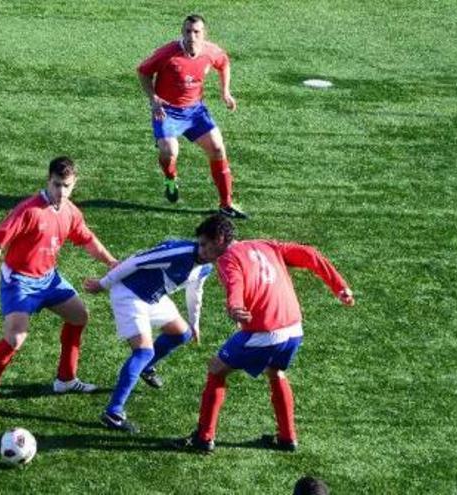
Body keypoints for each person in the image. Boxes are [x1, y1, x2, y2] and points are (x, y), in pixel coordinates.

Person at [174, 214, 354, 453]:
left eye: (205, 244)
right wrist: (339, 286)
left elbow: (235, 284)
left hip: (265, 332)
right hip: (294, 329)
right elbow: (309, 254)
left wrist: (235, 306)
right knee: (276, 371)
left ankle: (203, 438)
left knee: (216, 368)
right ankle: (287, 437)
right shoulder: (266, 245)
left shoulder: (227, 258)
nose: (202, 249)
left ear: (219, 239)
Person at [0, 156, 117, 412]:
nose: (61, 192)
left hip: (49, 279)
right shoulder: (29, 210)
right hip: (19, 281)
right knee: (16, 337)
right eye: (57, 185)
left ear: (75, 184)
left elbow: (88, 240)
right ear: (48, 180)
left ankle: (65, 379)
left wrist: (111, 262)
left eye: (67, 186)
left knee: (79, 316)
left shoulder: (71, 212)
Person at [83, 235, 214, 434]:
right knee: (143, 351)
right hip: (129, 294)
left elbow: (196, 290)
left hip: (154, 296)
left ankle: (147, 368)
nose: (206, 252)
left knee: (182, 334)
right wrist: (103, 284)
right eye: (204, 245)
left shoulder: (207, 265)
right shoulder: (179, 252)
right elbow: (136, 261)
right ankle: (113, 412)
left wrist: (194, 322)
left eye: (213, 250)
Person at [137, 14, 247, 219]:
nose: (191, 36)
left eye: (196, 32)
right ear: (182, 32)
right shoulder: (168, 53)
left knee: (217, 148)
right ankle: (170, 178)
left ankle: (226, 204)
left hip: (195, 111)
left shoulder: (211, 51)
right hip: (167, 111)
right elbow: (143, 72)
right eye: (188, 31)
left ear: (204, 34)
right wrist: (153, 99)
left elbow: (224, 63)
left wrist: (226, 92)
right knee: (169, 151)